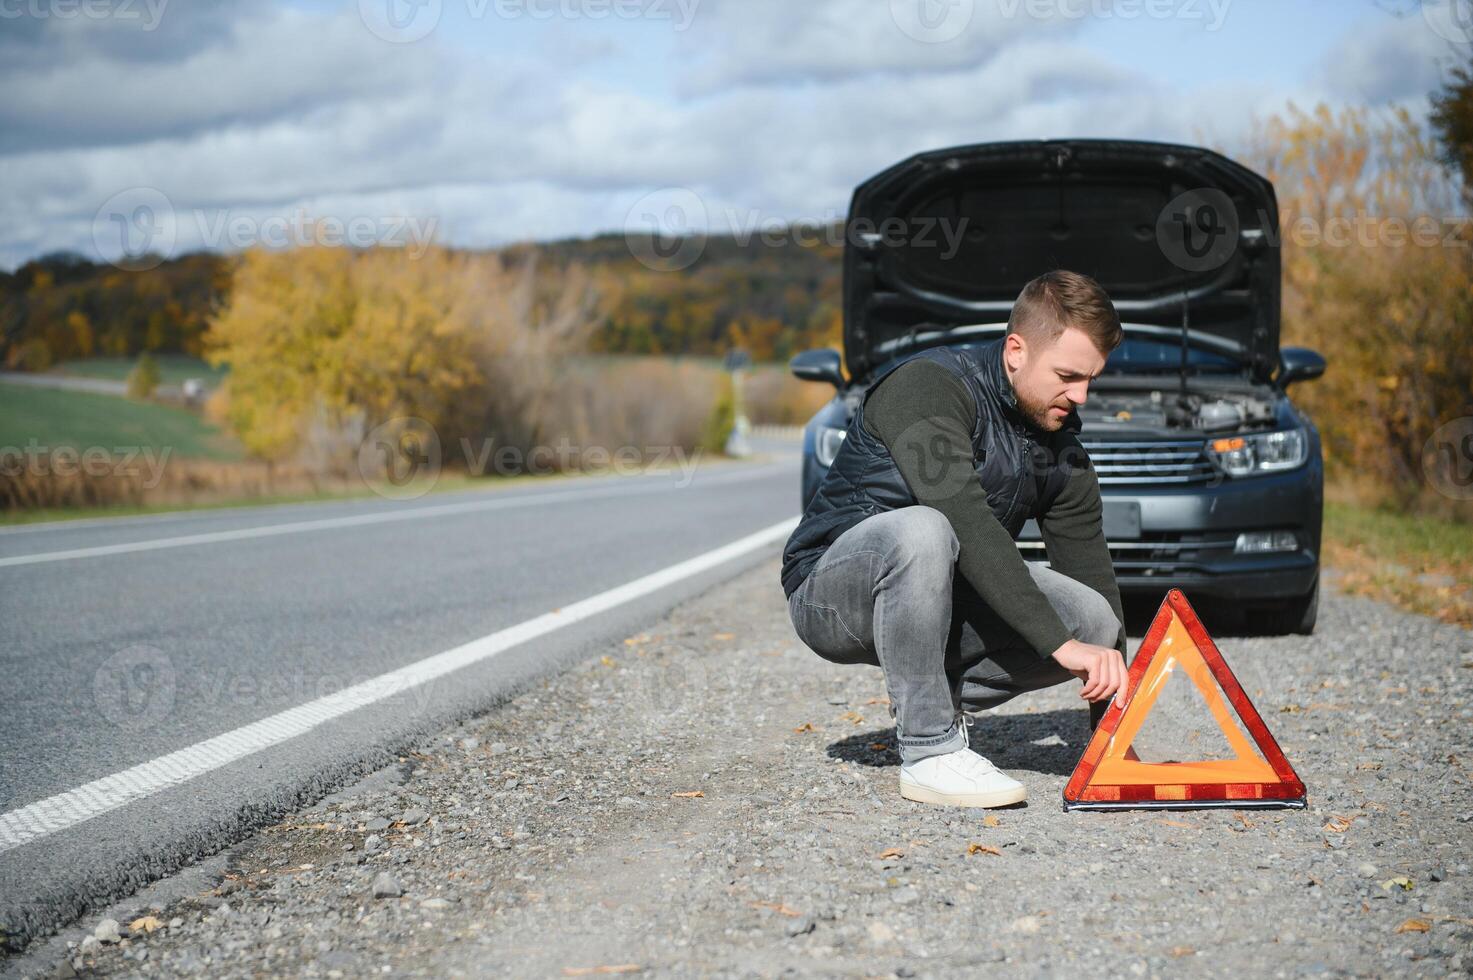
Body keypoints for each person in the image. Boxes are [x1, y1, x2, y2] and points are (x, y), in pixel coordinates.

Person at [781, 269, 1130, 808]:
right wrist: (1058, 646)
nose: (1080, 395)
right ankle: (928, 750)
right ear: (1016, 350)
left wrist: (1113, 735)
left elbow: (1092, 573)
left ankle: (932, 696)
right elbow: (966, 520)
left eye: (1090, 379)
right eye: (1067, 375)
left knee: (1096, 622)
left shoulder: (1060, 444)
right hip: (833, 592)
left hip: (936, 601)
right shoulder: (928, 387)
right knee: (926, 526)